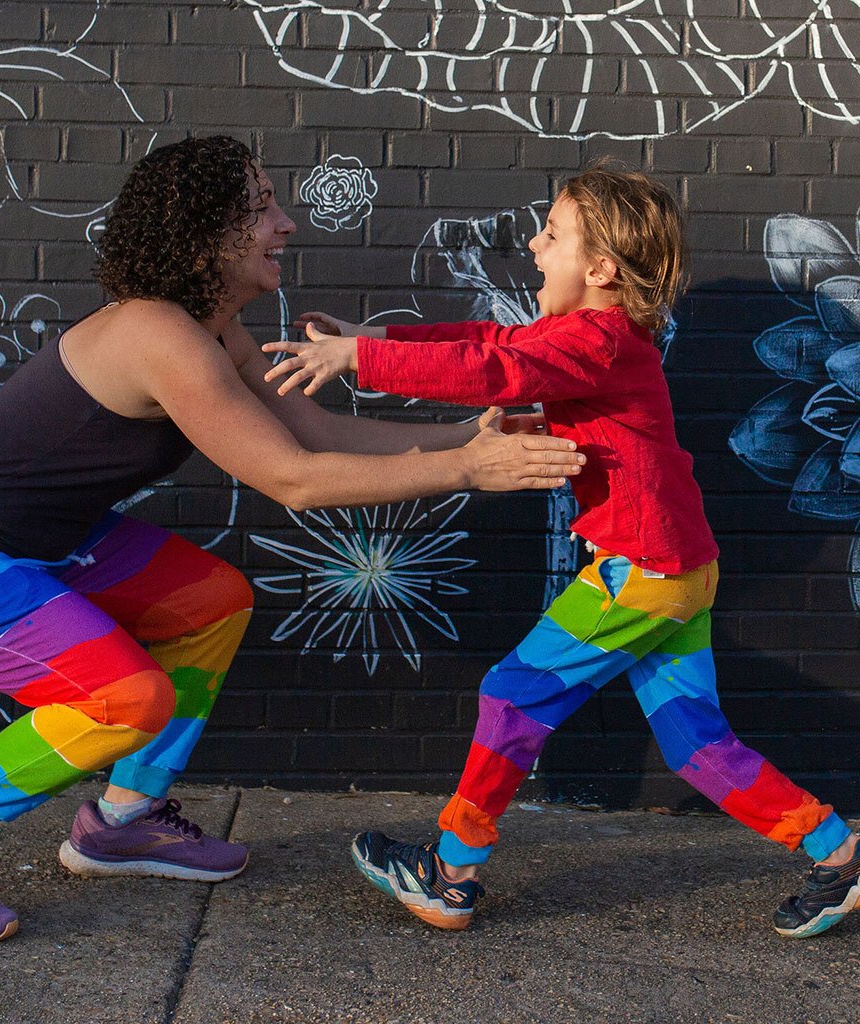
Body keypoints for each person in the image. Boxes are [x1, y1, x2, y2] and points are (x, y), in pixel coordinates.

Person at [0, 136, 585, 947]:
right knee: (125, 699)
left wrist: (464, 437)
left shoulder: (215, 331)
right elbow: (293, 479)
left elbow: (317, 430)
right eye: (262, 206)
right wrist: (469, 470)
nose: (287, 223)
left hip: (45, 540)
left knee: (212, 600)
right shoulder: (157, 336)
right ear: (206, 232)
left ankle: (123, 819)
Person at [261, 167, 860, 939]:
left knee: (512, 698)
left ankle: (450, 873)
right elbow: (492, 343)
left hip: (641, 574)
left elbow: (496, 370)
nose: (536, 246)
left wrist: (359, 363)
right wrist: (374, 339)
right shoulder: (597, 337)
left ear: (602, 269)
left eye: (553, 233)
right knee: (697, 744)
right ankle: (836, 855)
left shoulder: (599, 339)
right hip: (678, 571)